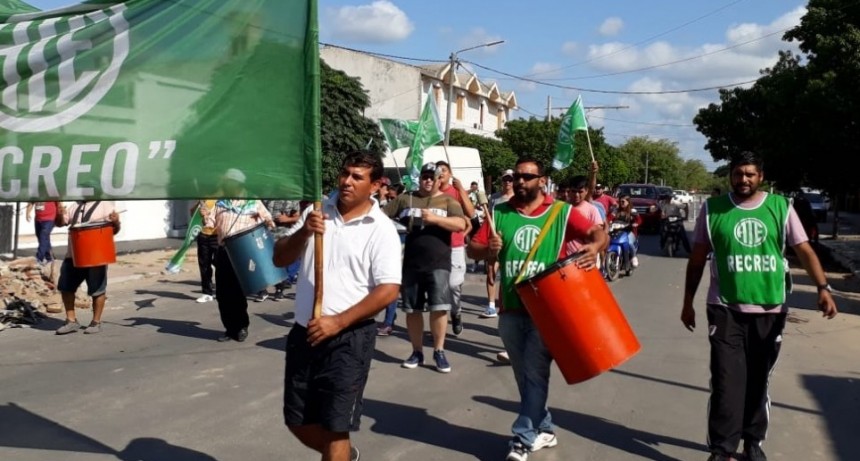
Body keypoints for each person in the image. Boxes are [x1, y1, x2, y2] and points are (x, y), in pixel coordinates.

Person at [681, 151, 837, 461]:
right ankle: (722, 448)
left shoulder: (780, 207)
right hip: (725, 309)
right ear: (731, 176)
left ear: (760, 177)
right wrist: (687, 303)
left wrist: (822, 287)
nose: (744, 179)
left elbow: (803, 249)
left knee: (757, 379)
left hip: (770, 310)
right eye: (738, 174)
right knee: (726, 381)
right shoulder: (714, 210)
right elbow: (697, 259)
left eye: (750, 174)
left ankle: (753, 442)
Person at [468, 158, 608, 461]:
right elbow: (472, 249)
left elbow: (598, 233)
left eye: (527, 177)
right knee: (524, 376)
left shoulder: (560, 212)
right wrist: (486, 250)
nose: (520, 182)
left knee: (534, 374)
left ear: (542, 181)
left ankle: (522, 437)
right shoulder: (500, 212)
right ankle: (544, 427)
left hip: (548, 310)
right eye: (516, 176)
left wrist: (595, 247)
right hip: (510, 308)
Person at [274, 151, 401, 461]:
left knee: (335, 427)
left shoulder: (380, 229)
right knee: (298, 422)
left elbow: (388, 290)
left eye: (357, 177)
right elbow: (280, 258)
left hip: (349, 339)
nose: (347, 182)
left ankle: (339, 453)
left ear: (374, 185)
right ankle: (347, 456)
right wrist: (305, 231)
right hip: (305, 332)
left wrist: (339, 321)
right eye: (345, 173)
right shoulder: (317, 213)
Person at [383, 162, 466, 373]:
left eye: (433, 176)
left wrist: (436, 219)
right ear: (419, 178)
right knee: (412, 309)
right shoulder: (406, 198)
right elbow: (381, 217)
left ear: (439, 179)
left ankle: (439, 351)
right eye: (425, 176)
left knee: (439, 309)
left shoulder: (448, 199)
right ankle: (416, 351)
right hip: (411, 262)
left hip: (439, 262)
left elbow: (461, 224)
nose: (428, 180)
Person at [203, 168, 274, 342]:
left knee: (238, 291)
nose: (227, 186)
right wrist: (205, 215)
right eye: (226, 183)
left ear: (239, 184)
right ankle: (229, 328)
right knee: (223, 293)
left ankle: (241, 326)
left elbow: (269, 221)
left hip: (245, 251)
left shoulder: (253, 201)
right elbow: (211, 225)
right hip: (224, 251)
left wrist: (263, 220)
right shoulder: (220, 203)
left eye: (230, 183)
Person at [53, 201, 121, 335]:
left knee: (97, 289)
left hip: (96, 256)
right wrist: (59, 214)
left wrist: (116, 222)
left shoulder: (105, 205)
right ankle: (71, 321)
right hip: (73, 255)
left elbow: (114, 230)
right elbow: (60, 223)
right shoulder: (74, 206)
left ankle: (96, 322)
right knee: (65, 287)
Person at [436, 160, 476, 336]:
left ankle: (456, 311)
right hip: (436, 246)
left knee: (453, 285)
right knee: (439, 288)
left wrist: (461, 189)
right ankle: (440, 328)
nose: (441, 173)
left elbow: (471, 213)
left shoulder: (456, 192)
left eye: (444, 170)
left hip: (455, 246)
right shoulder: (432, 193)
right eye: (438, 170)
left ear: (450, 173)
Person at [480, 169, 515, 319]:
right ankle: (491, 306)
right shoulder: (494, 198)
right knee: (491, 271)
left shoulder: (517, 198)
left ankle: (507, 304)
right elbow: (489, 216)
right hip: (494, 239)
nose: (507, 182)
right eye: (505, 179)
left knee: (509, 274)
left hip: (510, 240)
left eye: (510, 179)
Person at [266, 199, 303, 300]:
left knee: (281, 264)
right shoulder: (266, 195)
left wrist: (286, 219)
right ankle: (263, 289)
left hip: (283, 235)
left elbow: (298, 217)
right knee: (266, 262)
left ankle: (279, 289)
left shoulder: (292, 199)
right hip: (266, 233)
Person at [561, 175, 605, 256]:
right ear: (569, 191)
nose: (576, 195)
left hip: (582, 258)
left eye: (580, 192)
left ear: (586, 191)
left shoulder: (592, 210)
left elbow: (599, 234)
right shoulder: (562, 209)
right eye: (573, 191)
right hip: (561, 260)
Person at [192, 200, 218, 303]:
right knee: (204, 265)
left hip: (217, 235)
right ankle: (207, 293)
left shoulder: (220, 199)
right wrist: (197, 210)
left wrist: (208, 213)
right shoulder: (201, 200)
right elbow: (192, 216)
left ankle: (222, 291)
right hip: (203, 235)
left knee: (220, 264)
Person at [611, 195, 641, 267]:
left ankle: (634, 257)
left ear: (628, 202)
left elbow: (639, 220)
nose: (621, 203)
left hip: (629, 232)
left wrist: (635, 224)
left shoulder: (632, 211)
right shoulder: (616, 210)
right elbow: (610, 217)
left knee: (629, 243)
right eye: (620, 201)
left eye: (623, 201)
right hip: (617, 231)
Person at [25, 201, 59, 265]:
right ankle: (50, 257)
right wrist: (27, 213)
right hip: (38, 218)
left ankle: (39, 258)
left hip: (49, 218)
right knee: (43, 238)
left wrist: (59, 215)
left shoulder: (51, 191)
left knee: (43, 237)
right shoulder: (36, 192)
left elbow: (59, 202)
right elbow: (31, 201)